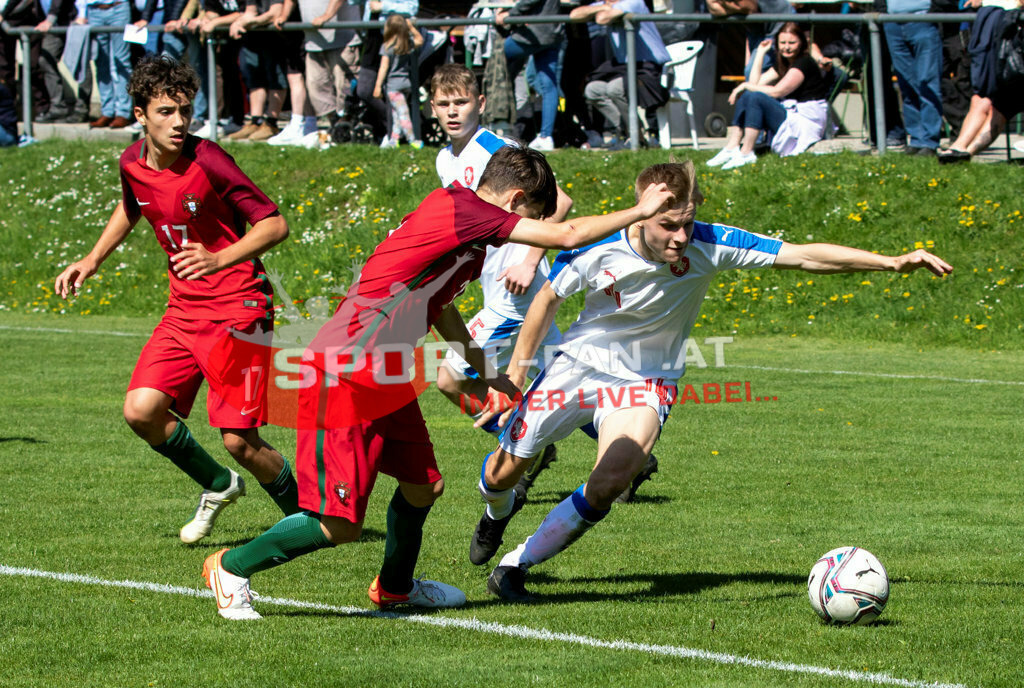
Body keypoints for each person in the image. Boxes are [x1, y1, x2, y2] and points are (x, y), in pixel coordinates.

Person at [199, 146, 676, 620]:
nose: (524, 237)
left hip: (382, 377)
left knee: (423, 486)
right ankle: (231, 567)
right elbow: (568, 234)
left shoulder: (462, 233)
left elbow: (440, 307)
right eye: (530, 219)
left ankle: (395, 589)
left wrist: (490, 375)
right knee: (338, 524)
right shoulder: (467, 212)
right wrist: (641, 210)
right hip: (341, 372)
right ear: (512, 200)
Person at [470, 160, 953, 601]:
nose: (681, 237)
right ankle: (497, 512)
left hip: (646, 378)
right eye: (668, 225)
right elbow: (546, 300)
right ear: (641, 215)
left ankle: (515, 566)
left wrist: (889, 262)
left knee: (611, 480)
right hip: (576, 365)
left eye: (687, 222)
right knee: (502, 474)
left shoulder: (711, 242)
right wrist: (513, 377)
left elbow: (804, 256)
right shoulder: (600, 246)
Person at [54, 56, 301, 545]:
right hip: (183, 310)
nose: (179, 122)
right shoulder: (130, 162)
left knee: (240, 441)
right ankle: (218, 485)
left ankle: (310, 517)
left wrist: (218, 258)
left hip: (238, 309)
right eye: (166, 111)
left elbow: (275, 225)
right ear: (140, 115)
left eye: (185, 110)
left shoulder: (209, 159)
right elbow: (132, 206)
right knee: (141, 411)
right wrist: (92, 259)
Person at [706, 23, 829, 170]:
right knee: (749, 95)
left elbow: (778, 91)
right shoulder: (783, 63)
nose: (787, 47)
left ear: (801, 43)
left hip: (805, 121)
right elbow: (754, 83)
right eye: (782, 43)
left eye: (792, 43)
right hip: (791, 116)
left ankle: (746, 152)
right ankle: (732, 146)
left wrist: (745, 86)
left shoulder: (804, 63)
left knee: (756, 97)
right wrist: (760, 53)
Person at [569, 0, 670, 150]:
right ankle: (629, 131)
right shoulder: (605, 4)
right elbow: (574, 15)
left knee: (614, 88)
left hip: (649, 68)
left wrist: (603, 10)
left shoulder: (634, 2)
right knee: (592, 89)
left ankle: (636, 135)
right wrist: (602, 6)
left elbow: (602, 19)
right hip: (625, 68)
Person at [938, 0, 1024, 163]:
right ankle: (961, 150)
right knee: (983, 101)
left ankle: (962, 151)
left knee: (993, 104)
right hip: (1014, 59)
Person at [496, 0, 565, 151]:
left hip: (537, 32)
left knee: (498, 54)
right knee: (549, 85)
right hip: (553, 32)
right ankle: (545, 136)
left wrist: (511, 13)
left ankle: (501, 124)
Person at [882, 0, 943, 155]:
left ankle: (929, 142)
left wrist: (933, 10)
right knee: (906, 84)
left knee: (927, 82)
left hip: (923, 21)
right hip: (893, 24)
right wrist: (883, 11)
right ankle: (916, 139)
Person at [76, 0, 135, 128]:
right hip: (94, 10)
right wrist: (82, 13)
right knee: (101, 62)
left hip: (118, 7)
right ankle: (107, 111)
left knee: (122, 61)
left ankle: (123, 113)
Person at [374, 13, 423, 148]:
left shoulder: (387, 47)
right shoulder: (407, 45)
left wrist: (377, 86)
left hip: (392, 87)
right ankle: (394, 140)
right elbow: (420, 40)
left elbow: (383, 68)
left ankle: (412, 140)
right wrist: (411, 27)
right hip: (405, 84)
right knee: (397, 114)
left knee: (402, 114)